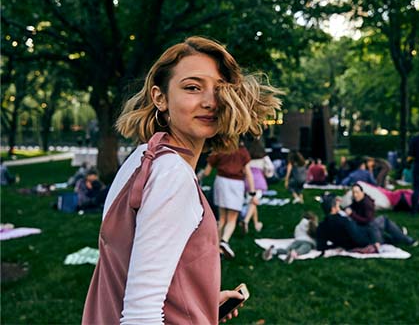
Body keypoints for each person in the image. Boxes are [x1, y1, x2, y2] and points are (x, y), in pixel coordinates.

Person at [82, 36, 281, 324]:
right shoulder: (171, 176)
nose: (210, 101)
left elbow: (130, 269)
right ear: (159, 97)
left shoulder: (142, 159)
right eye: (192, 87)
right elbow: (141, 315)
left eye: (219, 89)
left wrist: (198, 302)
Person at [199, 139, 258, 259]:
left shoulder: (219, 150)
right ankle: (224, 242)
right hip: (236, 184)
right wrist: (252, 193)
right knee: (232, 219)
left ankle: (216, 249)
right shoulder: (243, 152)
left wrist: (198, 177)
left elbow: (207, 171)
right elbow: (248, 174)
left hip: (221, 182)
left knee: (221, 218)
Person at [345, 184, 418, 246]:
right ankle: (404, 236)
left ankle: (404, 237)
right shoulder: (357, 201)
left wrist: (352, 214)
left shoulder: (367, 204)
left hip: (369, 231)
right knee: (383, 220)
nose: (355, 195)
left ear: (362, 192)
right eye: (353, 192)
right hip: (369, 234)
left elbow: (367, 220)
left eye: (357, 192)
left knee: (381, 221)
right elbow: (353, 208)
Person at [241, 138, 274, 234]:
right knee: (254, 202)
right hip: (259, 181)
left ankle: (256, 224)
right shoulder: (264, 157)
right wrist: (267, 174)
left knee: (252, 201)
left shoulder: (247, 155)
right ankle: (246, 220)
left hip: (247, 181)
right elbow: (270, 168)